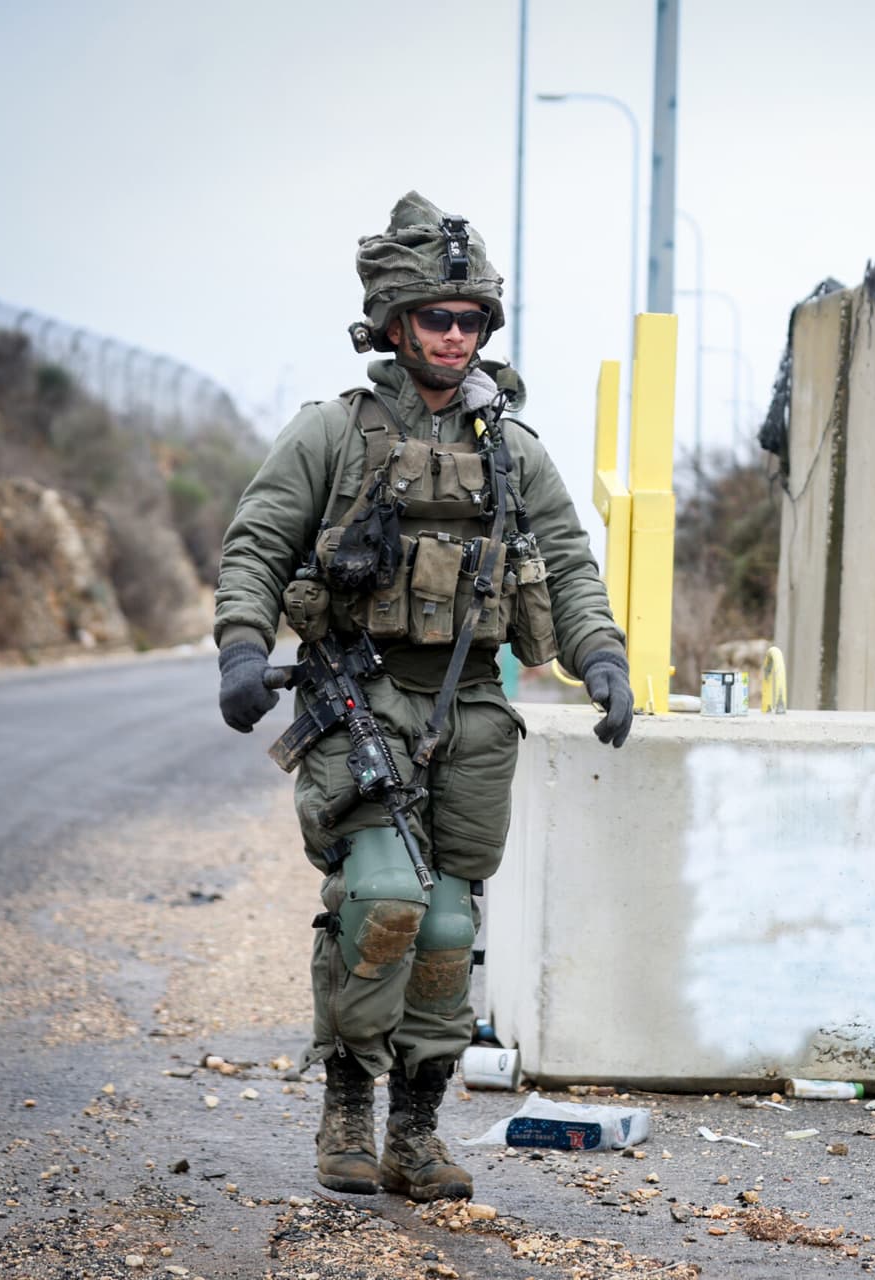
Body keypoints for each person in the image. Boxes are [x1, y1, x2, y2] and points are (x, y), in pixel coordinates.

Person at [213, 192, 634, 1199]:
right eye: (436, 318)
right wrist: (240, 646)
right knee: (386, 900)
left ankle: (416, 1124)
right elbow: (260, 540)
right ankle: (347, 1104)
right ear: (397, 325)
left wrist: (603, 656)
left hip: (468, 713)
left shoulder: (510, 450)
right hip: (359, 703)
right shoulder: (333, 433)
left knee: (448, 928)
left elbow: (569, 563)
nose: (454, 335)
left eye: (470, 320)